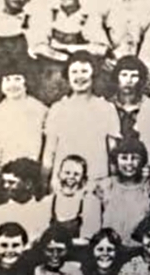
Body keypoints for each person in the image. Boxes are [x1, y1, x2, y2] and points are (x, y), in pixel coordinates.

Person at [29, 0, 109, 105]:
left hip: (81, 75)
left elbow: (101, 48)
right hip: (50, 77)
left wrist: (64, 47)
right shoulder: (47, 14)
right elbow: (38, 47)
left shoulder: (88, 16)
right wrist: (70, 55)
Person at [41, 52, 121, 185]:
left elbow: (112, 150)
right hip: (64, 183)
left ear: (93, 74)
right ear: (67, 76)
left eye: (84, 71)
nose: (79, 77)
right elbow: (49, 152)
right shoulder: (57, 108)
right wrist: (44, 183)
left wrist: (113, 184)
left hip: (96, 180)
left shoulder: (106, 108)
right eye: (74, 72)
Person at [0, 69, 47, 189]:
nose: (12, 84)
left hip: (32, 179)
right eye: (7, 80)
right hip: (3, 180)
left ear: (26, 82)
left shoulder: (41, 110)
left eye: (17, 79)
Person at [89, 137, 150, 244]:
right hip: (110, 253)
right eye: (124, 158)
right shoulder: (105, 186)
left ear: (142, 161)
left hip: (139, 251)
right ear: (116, 160)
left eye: (134, 158)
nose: (129, 163)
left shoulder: (149, 187)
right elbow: (92, 225)